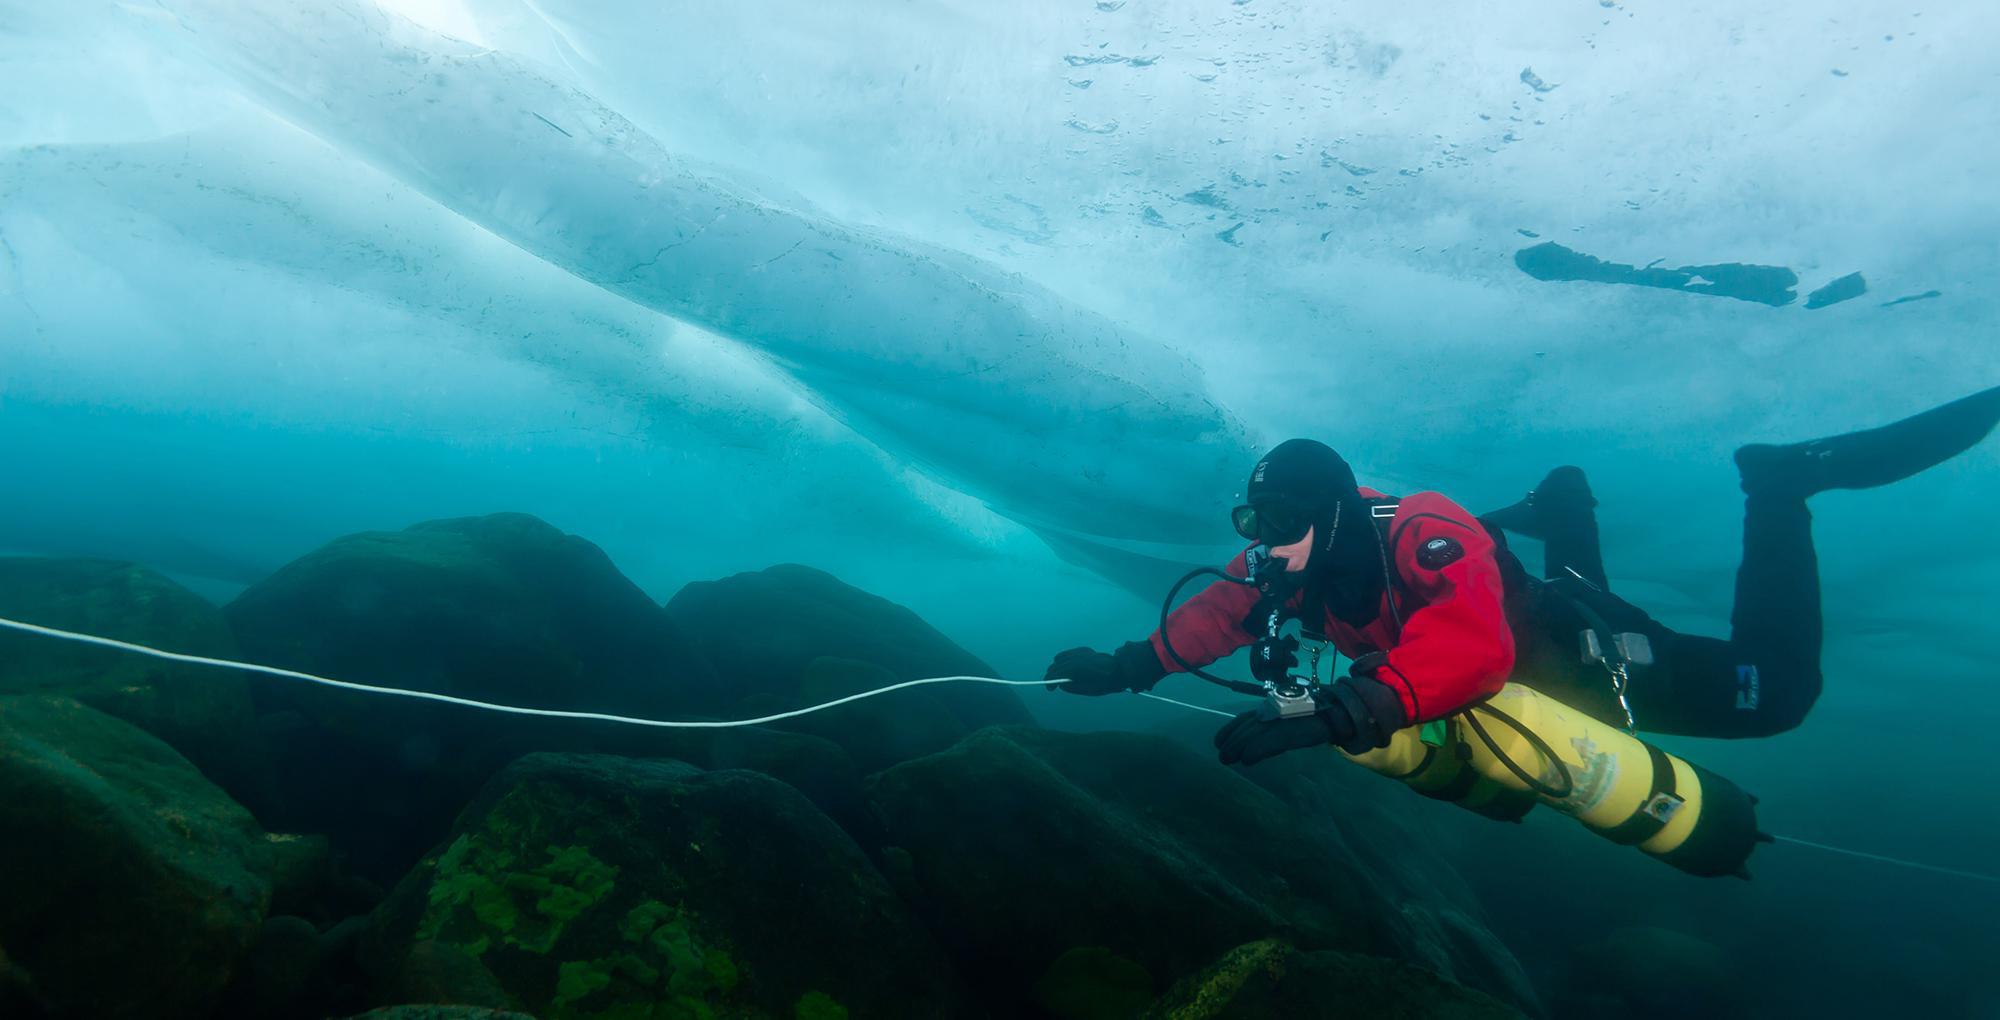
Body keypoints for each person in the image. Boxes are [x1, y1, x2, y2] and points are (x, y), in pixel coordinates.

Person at [1044, 385, 2000, 765]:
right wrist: (1130, 665)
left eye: (1281, 523)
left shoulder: (1422, 528)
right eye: (1253, 523)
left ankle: (1782, 486)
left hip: (1580, 661)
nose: (1264, 544)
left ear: (1332, 512)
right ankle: (1561, 505)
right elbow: (1220, 610)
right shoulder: (1294, 562)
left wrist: (1346, 715)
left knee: (1780, 693)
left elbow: (1472, 644)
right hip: (1544, 618)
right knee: (1557, 586)